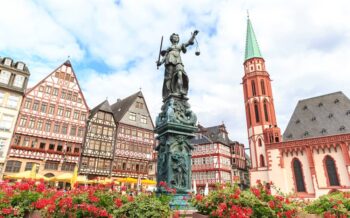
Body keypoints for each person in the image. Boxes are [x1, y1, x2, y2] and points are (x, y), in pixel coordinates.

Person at [157, 30, 199, 99]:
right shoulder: (169, 48)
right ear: (171, 39)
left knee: (180, 73)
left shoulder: (180, 46)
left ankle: (180, 90)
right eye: (174, 37)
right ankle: (168, 93)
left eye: (177, 37)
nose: (176, 38)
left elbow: (189, 42)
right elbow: (165, 57)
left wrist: (193, 36)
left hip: (178, 61)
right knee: (169, 78)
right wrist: (160, 63)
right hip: (169, 60)